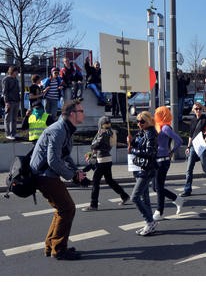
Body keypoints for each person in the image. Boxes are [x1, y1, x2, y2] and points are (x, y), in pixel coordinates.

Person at [29, 99, 87, 260]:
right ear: (72, 114)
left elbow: (65, 155)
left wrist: (77, 172)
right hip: (44, 175)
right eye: (81, 111)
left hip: (48, 174)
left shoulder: (67, 129)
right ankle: (59, 249)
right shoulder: (58, 130)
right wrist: (72, 175)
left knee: (62, 209)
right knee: (68, 208)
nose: (84, 113)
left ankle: (51, 245)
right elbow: (52, 160)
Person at [81, 116, 130, 212]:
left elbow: (95, 145)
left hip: (102, 160)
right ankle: (124, 196)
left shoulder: (103, 134)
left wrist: (94, 145)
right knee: (109, 180)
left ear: (100, 124)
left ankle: (93, 205)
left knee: (96, 182)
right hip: (107, 159)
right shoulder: (111, 132)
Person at [128, 111, 159, 236]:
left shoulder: (151, 133)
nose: (139, 124)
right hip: (142, 167)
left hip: (148, 169)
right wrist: (132, 141)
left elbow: (149, 152)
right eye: (138, 121)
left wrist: (133, 150)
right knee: (144, 198)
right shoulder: (143, 132)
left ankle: (150, 222)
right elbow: (139, 145)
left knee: (134, 197)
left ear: (148, 121)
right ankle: (149, 223)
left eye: (142, 121)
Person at [152, 106, 184, 221]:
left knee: (159, 187)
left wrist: (171, 152)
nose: (155, 115)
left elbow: (179, 140)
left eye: (157, 113)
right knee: (155, 187)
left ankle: (159, 212)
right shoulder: (157, 125)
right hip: (156, 161)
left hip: (163, 161)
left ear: (162, 115)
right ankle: (177, 199)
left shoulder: (165, 127)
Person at [180, 102, 206, 197]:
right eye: (196, 109)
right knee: (189, 169)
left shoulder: (205, 119)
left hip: (202, 146)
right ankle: (187, 190)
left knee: (205, 168)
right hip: (193, 147)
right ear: (193, 110)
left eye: (199, 109)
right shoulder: (192, 120)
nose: (198, 111)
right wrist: (188, 147)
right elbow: (190, 135)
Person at [2, 66, 21, 140]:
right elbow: (5, 92)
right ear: (12, 71)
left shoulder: (16, 80)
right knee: (8, 119)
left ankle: (14, 133)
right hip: (10, 102)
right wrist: (6, 102)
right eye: (16, 71)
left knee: (14, 119)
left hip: (16, 101)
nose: (17, 73)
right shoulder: (6, 79)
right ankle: (8, 134)